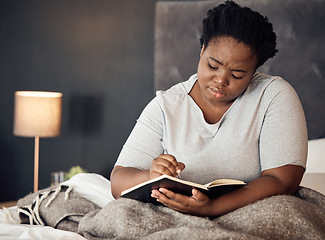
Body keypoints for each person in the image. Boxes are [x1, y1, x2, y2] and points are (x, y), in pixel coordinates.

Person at [110, 1, 307, 218]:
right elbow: (118, 181)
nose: (221, 80)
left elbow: (283, 181)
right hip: (175, 214)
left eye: (238, 74)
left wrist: (212, 208)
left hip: (251, 213)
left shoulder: (274, 96)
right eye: (213, 65)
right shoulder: (165, 107)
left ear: (254, 70)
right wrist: (150, 175)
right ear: (202, 50)